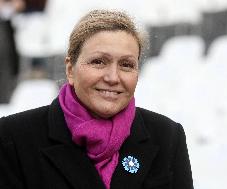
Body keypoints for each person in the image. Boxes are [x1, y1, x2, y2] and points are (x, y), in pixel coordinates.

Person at [0, 9, 194, 189]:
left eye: (126, 65)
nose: (112, 77)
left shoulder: (167, 136)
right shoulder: (12, 138)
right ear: (70, 69)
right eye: (98, 62)